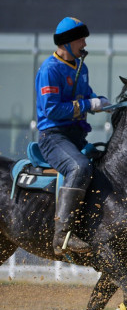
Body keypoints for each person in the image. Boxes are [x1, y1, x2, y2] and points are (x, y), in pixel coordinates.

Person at [35, 17, 109, 254]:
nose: (84, 42)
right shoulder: (49, 69)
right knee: (79, 168)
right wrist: (89, 104)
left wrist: (100, 101)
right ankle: (62, 236)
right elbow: (52, 109)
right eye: (80, 38)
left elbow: (86, 95)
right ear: (66, 42)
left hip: (76, 138)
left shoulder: (80, 67)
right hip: (53, 138)